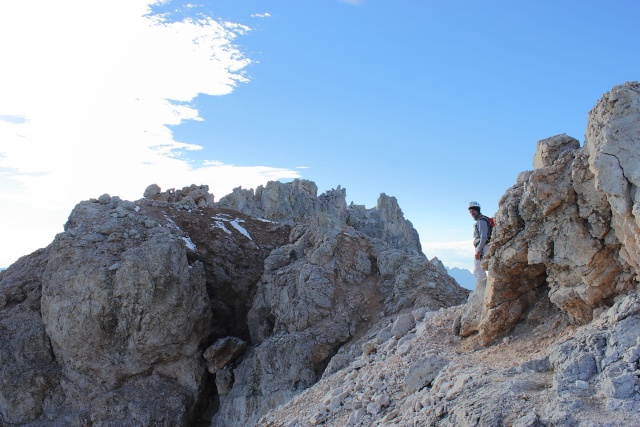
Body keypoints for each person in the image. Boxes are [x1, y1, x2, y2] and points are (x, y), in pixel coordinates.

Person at [468, 201, 490, 286]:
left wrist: (478, 250)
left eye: (473, 211)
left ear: (477, 210)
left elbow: (483, 236)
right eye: (470, 212)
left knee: (478, 270)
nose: (471, 213)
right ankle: (482, 288)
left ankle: (480, 290)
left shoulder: (481, 220)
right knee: (478, 270)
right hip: (483, 246)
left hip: (483, 247)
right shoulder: (481, 220)